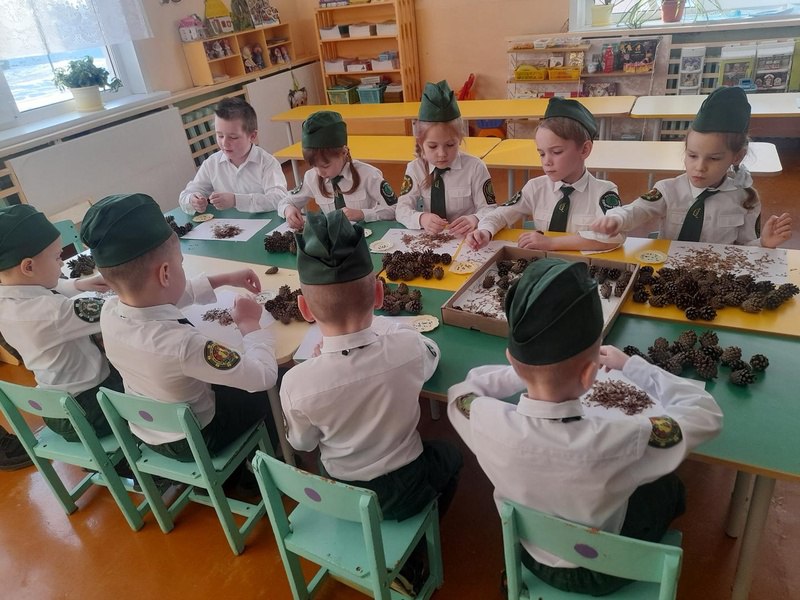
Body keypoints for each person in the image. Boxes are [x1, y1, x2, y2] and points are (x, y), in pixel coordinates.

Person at [447, 258, 723, 596]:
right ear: (591, 374)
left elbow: (462, 393)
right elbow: (706, 413)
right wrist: (633, 366)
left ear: (512, 362)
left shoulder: (484, 419)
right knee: (667, 487)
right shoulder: (625, 438)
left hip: (530, 554)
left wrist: (528, 371)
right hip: (604, 569)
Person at [281, 211, 463, 595]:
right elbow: (431, 354)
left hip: (341, 491)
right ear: (380, 295)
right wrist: (387, 332)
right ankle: (415, 547)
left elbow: (302, 443)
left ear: (305, 309)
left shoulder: (297, 383)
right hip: (406, 485)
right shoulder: (406, 347)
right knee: (450, 456)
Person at [80, 193, 279, 461]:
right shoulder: (183, 344)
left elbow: (163, 298)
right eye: (181, 264)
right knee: (270, 390)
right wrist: (248, 323)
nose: (182, 268)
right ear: (165, 273)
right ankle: (262, 465)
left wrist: (222, 279)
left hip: (148, 430)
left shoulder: (110, 311)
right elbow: (263, 376)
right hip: (197, 439)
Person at [592, 87, 792, 247]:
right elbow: (638, 210)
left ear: (737, 156)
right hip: (667, 270)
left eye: (713, 158)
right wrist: (616, 219)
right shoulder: (668, 189)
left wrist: (764, 243)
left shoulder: (746, 199)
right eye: (692, 155)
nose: (700, 167)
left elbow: (746, 249)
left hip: (716, 275)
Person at [0, 204, 123, 442]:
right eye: (58, 257)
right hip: (90, 409)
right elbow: (118, 309)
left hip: (55, 407)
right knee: (146, 375)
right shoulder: (54, 312)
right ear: (28, 266)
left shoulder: (8, 297)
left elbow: (44, 286)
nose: (61, 263)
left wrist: (77, 284)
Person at [466, 97, 623, 252]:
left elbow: (615, 236)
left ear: (584, 149)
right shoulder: (535, 187)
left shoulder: (604, 192)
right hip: (542, 264)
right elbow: (500, 215)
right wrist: (485, 231)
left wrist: (552, 243)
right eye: (541, 153)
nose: (546, 161)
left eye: (556, 152)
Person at [395, 80, 496, 236]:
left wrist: (474, 219)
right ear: (420, 143)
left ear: (460, 139)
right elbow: (401, 209)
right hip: (431, 239)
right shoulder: (415, 168)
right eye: (432, 146)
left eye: (450, 145)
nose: (442, 154)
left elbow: (490, 209)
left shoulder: (475, 167)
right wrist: (421, 218)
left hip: (467, 238)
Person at [277, 110, 397, 229]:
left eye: (325, 166)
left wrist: (363, 214)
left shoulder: (368, 175)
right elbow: (285, 201)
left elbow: (394, 208)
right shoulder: (312, 177)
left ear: (344, 152)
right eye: (314, 166)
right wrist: (288, 210)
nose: (320, 172)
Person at [178, 96, 289, 214]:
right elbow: (185, 195)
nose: (224, 143)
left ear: (252, 136)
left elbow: (279, 198)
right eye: (220, 135)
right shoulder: (212, 164)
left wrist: (236, 200)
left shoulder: (266, 163)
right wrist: (192, 200)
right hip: (228, 224)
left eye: (233, 137)